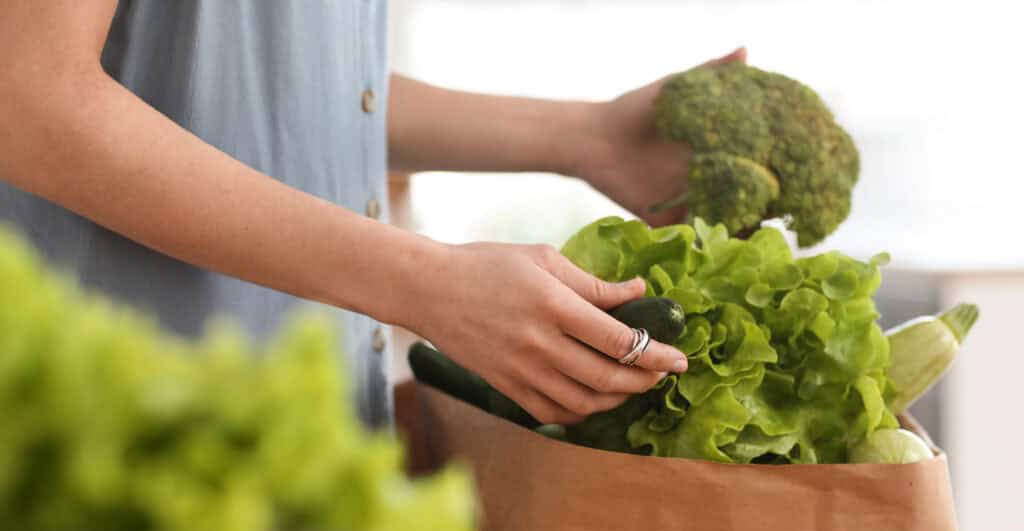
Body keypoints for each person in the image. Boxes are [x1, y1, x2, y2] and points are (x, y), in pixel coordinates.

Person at [0, 1, 744, 428]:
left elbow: (267, 88)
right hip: (117, 442)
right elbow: (25, 96)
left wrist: (586, 138)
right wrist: (424, 281)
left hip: (304, 452)